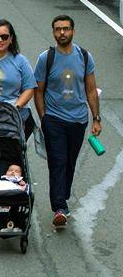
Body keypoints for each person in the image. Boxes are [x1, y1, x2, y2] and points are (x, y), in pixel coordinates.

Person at [34, 15, 101, 230]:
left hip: (78, 120)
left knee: (70, 162)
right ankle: (59, 207)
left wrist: (96, 118)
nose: (62, 33)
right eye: (58, 29)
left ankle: (63, 200)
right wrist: (44, 117)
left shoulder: (84, 56)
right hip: (54, 119)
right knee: (58, 161)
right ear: (53, 32)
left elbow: (91, 90)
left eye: (66, 29)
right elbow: (39, 90)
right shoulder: (46, 58)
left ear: (73, 31)